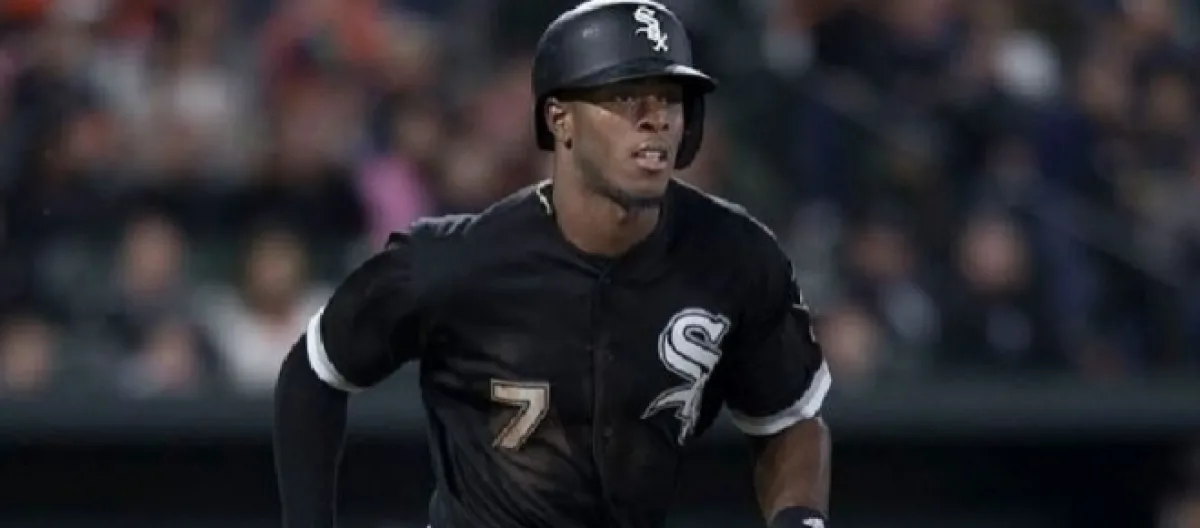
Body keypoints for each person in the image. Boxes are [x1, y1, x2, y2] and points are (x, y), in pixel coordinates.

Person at [272, 1, 833, 527]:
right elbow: (315, 371)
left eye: (669, 98)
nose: (655, 119)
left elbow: (790, 420)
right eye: (625, 97)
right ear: (560, 119)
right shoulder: (460, 261)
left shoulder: (734, 256)